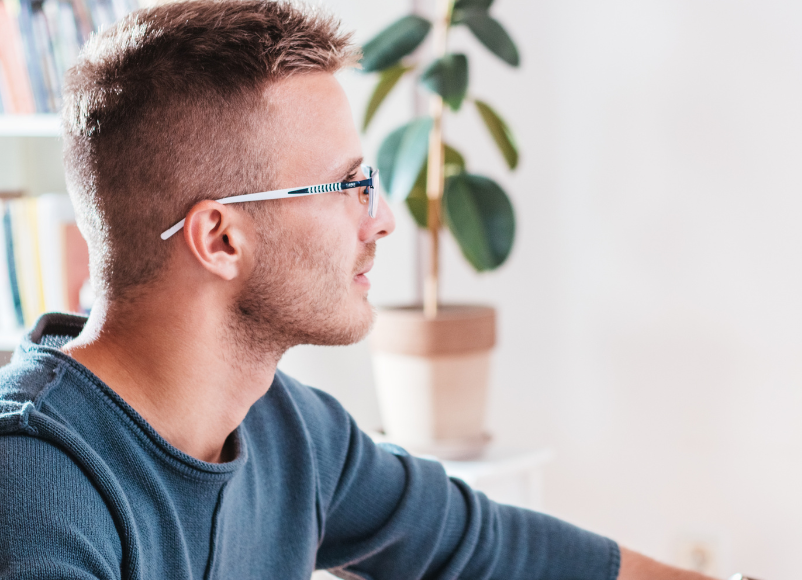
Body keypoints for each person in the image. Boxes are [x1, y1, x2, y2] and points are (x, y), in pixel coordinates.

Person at [0, 1, 721, 579]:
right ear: (220, 238)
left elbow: (486, 548)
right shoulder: (35, 491)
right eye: (348, 186)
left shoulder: (287, 430)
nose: (380, 219)